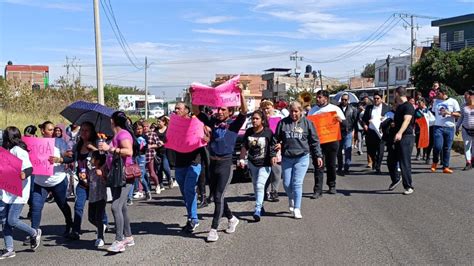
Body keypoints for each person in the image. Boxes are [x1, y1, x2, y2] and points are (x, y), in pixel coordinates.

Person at [193, 82, 248, 242]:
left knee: (217, 196)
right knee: (217, 196)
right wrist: (193, 95)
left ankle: (213, 229)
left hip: (225, 164)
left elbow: (244, 112)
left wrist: (241, 93)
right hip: (212, 164)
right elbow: (197, 112)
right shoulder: (212, 122)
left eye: (223, 109)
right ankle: (232, 218)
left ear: (230, 112)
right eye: (219, 109)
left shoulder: (234, 125)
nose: (219, 111)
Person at [98, 111, 139, 253]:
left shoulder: (123, 134)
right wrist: (104, 166)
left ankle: (119, 240)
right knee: (122, 207)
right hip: (116, 175)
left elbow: (129, 152)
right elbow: (112, 156)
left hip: (125, 175)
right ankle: (128, 237)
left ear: (112, 121)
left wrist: (109, 148)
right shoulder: (116, 135)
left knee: (115, 206)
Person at [275, 101, 323, 218]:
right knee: (286, 183)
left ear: (301, 111)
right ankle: (291, 197)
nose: (293, 114)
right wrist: (276, 149)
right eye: (291, 111)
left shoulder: (307, 123)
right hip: (287, 157)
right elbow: (276, 139)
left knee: (297, 183)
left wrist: (318, 155)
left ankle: (297, 208)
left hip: (302, 157)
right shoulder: (283, 123)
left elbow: (314, 141)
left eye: (296, 111)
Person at [0, 127, 41, 259]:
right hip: (5, 191)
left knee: (12, 220)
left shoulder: (18, 151)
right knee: (4, 221)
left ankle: (34, 233)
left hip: (19, 193)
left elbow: (29, 168)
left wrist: (24, 174)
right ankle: (9, 249)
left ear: (9, 137)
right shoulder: (4, 151)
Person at [31, 121, 74, 241]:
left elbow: (68, 157)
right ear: (43, 131)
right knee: (36, 207)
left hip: (57, 181)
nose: (53, 132)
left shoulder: (59, 142)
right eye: (49, 130)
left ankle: (69, 224)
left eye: (53, 129)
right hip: (40, 182)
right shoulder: (36, 143)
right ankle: (34, 233)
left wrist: (61, 157)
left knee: (62, 204)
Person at [172, 102, 208, 233]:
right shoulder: (174, 124)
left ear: (187, 110)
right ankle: (191, 218)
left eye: (179, 108)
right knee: (185, 193)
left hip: (194, 161)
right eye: (175, 108)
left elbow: (207, 137)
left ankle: (193, 218)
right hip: (180, 162)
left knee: (189, 189)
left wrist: (206, 137)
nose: (176, 110)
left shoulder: (195, 122)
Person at [69, 122, 108, 240]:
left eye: (87, 131)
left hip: (94, 182)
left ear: (92, 132)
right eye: (82, 130)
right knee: (78, 206)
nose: (84, 133)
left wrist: (94, 149)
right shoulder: (78, 145)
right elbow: (71, 158)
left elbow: (104, 158)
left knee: (97, 209)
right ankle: (76, 230)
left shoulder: (98, 143)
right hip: (82, 182)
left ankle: (103, 223)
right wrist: (62, 158)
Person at [239, 110, 276, 222]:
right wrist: (241, 158)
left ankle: (257, 209)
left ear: (262, 120)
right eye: (253, 119)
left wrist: (273, 156)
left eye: (257, 119)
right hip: (252, 163)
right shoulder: (249, 132)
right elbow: (244, 146)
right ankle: (260, 204)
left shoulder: (268, 132)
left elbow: (273, 146)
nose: (254, 120)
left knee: (260, 185)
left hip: (265, 164)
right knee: (255, 186)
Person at [308, 90, 345, 197]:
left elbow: (346, 124)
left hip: (332, 141)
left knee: (331, 164)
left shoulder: (335, 109)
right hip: (317, 142)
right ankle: (317, 190)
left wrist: (340, 120)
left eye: (319, 97)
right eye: (317, 97)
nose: (317, 99)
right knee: (318, 165)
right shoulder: (313, 111)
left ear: (326, 98)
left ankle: (332, 185)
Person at [388, 86, 416, 195]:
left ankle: (409, 186)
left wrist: (400, 132)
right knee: (391, 160)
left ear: (397, 94)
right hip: (397, 137)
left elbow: (407, 120)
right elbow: (399, 121)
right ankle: (395, 179)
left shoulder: (408, 106)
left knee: (404, 162)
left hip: (406, 137)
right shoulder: (399, 107)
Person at [431, 88, 461, 173]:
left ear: (443, 93)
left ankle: (445, 167)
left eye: (438, 93)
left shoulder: (453, 101)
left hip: (449, 128)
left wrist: (449, 113)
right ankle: (435, 161)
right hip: (438, 127)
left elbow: (459, 114)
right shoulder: (436, 101)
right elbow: (433, 113)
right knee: (437, 146)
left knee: (447, 148)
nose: (436, 94)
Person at [260, 100, 284, 202]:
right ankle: (263, 192)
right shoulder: (260, 120)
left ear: (272, 107)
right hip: (263, 149)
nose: (266, 110)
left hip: (275, 149)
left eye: (268, 108)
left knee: (276, 171)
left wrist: (281, 143)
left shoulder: (279, 119)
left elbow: (284, 133)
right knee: (264, 173)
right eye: (264, 108)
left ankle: (274, 191)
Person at [361, 91, 389, 174]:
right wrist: (365, 125)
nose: (376, 100)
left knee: (380, 151)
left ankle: (378, 166)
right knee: (371, 150)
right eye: (375, 98)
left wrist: (384, 119)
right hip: (371, 131)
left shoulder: (386, 108)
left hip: (381, 132)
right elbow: (364, 119)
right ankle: (374, 161)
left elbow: (390, 118)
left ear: (381, 99)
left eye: (378, 98)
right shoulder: (369, 108)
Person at [127, 121, 152, 204]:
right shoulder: (132, 137)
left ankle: (147, 191)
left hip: (141, 157)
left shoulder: (145, 137)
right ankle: (129, 198)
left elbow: (146, 147)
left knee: (140, 176)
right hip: (133, 157)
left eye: (141, 128)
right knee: (132, 177)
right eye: (137, 129)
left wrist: (142, 146)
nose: (139, 130)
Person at [87, 151, 108, 247]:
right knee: (91, 218)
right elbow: (89, 184)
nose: (91, 160)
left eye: (93, 158)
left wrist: (103, 175)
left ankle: (100, 237)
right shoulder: (91, 171)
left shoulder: (103, 170)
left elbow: (107, 181)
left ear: (98, 161)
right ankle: (102, 227)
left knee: (99, 217)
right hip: (92, 198)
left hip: (101, 197)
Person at [337, 93, 357, 176]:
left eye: (345, 100)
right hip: (338, 132)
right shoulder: (337, 109)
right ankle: (340, 167)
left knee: (348, 150)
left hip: (348, 131)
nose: (344, 101)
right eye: (342, 99)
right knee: (338, 151)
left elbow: (355, 121)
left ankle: (347, 167)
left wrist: (354, 132)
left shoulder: (353, 109)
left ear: (348, 100)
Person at [155, 116, 177, 189]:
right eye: (157, 121)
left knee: (165, 167)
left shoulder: (168, 129)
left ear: (164, 122)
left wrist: (163, 142)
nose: (158, 123)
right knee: (159, 169)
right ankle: (160, 184)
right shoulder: (156, 130)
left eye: (159, 121)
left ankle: (169, 179)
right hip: (157, 151)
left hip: (165, 151)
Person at [456, 90, 474, 171]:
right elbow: (461, 117)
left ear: (471, 96)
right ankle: (468, 162)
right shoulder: (463, 106)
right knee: (467, 146)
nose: (464, 97)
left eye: (466, 96)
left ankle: (472, 160)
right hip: (465, 129)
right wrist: (457, 127)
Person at [143, 121, 163, 194]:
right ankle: (145, 188)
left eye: (146, 126)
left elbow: (159, 144)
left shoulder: (152, 134)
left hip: (150, 155)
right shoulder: (141, 135)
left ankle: (157, 185)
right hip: (141, 156)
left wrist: (151, 146)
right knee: (142, 173)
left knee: (151, 173)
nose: (145, 128)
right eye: (144, 127)